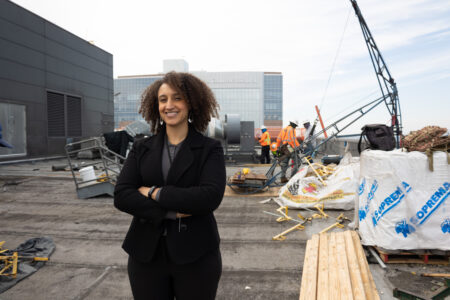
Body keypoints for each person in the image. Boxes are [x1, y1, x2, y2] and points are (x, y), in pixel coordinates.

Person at [114, 72, 226, 300]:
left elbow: (209, 197)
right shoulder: (141, 147)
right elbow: (122, 195)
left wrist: (154, 192)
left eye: (177, 98)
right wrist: (171, 211)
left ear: (192, 102)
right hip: (146, 255)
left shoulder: (209, 148)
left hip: (197, 255)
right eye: (163, 99)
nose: (169, 105)